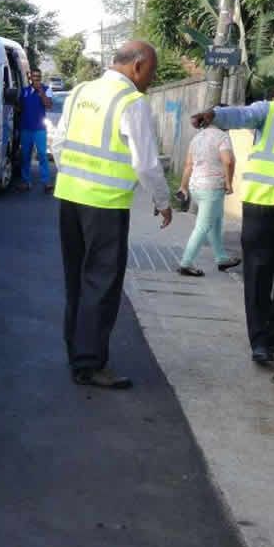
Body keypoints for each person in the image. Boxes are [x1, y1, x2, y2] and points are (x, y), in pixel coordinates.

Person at [53, 40, 172, 390]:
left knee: (76, 279)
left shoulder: (80, 91)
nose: (151, 79)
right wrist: (163, 200)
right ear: (138, 66)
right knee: (101, 283)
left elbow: (58, 142)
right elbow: (145, 162)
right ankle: (90, 363)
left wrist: (72, 176)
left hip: (69, 198)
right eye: (151, 72)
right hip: (105, 205)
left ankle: (77, 353)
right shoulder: (131, 101)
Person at [190, 61, 274, 366]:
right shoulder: (271, 111)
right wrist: (213, 115)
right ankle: (260, 341)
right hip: (260, 207)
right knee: (258, 275)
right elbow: (240, 114)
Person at [177, 119, 240, 276]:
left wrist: (183, 186)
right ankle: (186, 263)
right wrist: (229, 183)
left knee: (215, 222)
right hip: (212, 188)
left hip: (196, 187)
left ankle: (222, 258)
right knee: (203, 226)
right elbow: (228, 161)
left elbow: (188, 164)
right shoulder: (222, 137)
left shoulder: (197, 137)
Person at [17, 68, 54, 192]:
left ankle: (46, 182)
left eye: (38, 76)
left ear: (41, 78)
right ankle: (26, 181)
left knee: (42, 155)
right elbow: (19, 108)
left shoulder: (47, 89)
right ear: (30, 78)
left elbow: (49, 105)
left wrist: (41, 93)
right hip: (26, 128)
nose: (36, 79)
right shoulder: (24, 91)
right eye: (34, 76)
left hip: (40, 129)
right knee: (25, 156)